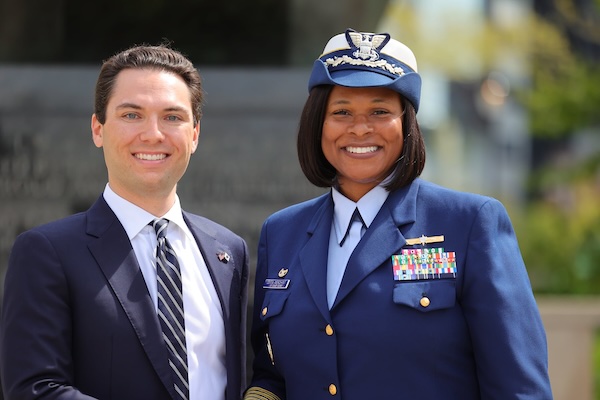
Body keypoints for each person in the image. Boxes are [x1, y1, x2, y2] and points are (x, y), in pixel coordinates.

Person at [243, 29, 553, 399]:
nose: (360, 128)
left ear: (406, 124)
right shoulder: (282, 233)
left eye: (380, 111)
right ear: (317, 124)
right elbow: (272, 374)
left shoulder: (469, 223)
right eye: (341, 112)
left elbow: (519, 389)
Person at [0, 44, 249, 400]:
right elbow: (35, 389)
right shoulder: (47, 252)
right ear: (98, 129)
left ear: (194, 135)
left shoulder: (227, 251)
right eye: (132, 115)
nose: (153, 134)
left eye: (173, 117)